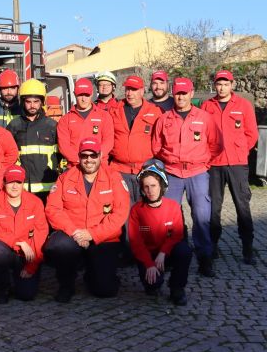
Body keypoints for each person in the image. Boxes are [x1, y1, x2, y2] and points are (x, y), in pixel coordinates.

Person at [44, 138, 129, 303]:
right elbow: (53, 209)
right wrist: (74, 232)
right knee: (58, 246)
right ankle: (66, 284)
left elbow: (120, 213)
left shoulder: (114, 177)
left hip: (103, 237)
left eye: (93, 155)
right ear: (79, 157)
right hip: (73, 234)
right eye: (84, 156)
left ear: (100, 155)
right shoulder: (65, 178)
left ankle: (92, 272)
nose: (89, 160)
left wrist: (92, 234)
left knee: (105, 290)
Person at [152, 77, 222, 277]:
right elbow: (156, 147)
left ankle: (205, 258)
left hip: (197, 172)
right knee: (168, 218)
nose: (181, 97)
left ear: (191, 93)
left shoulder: (205, 117)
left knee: (201, 217)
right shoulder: (164, 119)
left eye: (184, 93)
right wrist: (169, 161)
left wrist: (203, 161)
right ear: (173, 94)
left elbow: (216, 144)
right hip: (172, 173)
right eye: (178, 93)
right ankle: (171, 255)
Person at [201, 70, 258, 265]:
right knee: (213, 207)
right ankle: (213, 245)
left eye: (226, 84)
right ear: (214, 85)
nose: (222, 88)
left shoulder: (243, 105)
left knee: (242, 206)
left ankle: (248, 247)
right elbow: (203, 132)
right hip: (214, 164)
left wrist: (240, 151)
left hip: (237, 164)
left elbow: (251, 133)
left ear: (232, 85)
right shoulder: (207, 105)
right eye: (219, 84)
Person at [128, 162, 192, 306]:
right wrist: (149, 264)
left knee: (184, 251)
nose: (150, 190)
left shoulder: (173, 206)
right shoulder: (136, 210)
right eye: (146, 186)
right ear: (142, 189)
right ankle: (154, 279)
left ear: (162, 186)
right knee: (153, 285)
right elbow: (136, 242)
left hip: (166, 252)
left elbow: (177, 234)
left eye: (154, 185)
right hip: (148, 255)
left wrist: (163, 252)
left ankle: (177, 288)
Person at [0, 165, 48, 303]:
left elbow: (41, 234)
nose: (14, 186)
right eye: (10, 182)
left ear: (23, 183)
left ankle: (21, 279)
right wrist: (18, 243)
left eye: (18, 182)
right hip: (7, 250)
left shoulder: (35, 202)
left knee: (26, 295)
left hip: (28, 254)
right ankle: (3, 287)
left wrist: (32, 266)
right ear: (4, 182)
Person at [108, 76, 163, 205]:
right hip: (119, 170)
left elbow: (160, 140)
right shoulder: (114, 111)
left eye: (134, 90)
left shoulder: (155, 111)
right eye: (127, 89)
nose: (129, 93)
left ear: (142, 91)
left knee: (144, 209)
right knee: (122, 208)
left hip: (144, 170)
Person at [7, 79, 60, 202]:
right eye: (28, 102)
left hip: (47, 186)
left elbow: (60, 154)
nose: (32, 105)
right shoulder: (14, 126)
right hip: (22, 187)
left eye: (36, 101)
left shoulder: (52, 126)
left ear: (42, 102)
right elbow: (7, 155)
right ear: (22, 102)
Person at [56, 77, 113, 167]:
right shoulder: (65, 120)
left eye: (86, 95)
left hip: (99, 167)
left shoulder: (104, 116)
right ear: (74, 94)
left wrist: (94, 158)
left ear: (92, 94)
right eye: (80, 95)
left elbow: (108, 141)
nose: (83, 99)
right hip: (75, 167)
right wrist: (81, 160)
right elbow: (64, 147)